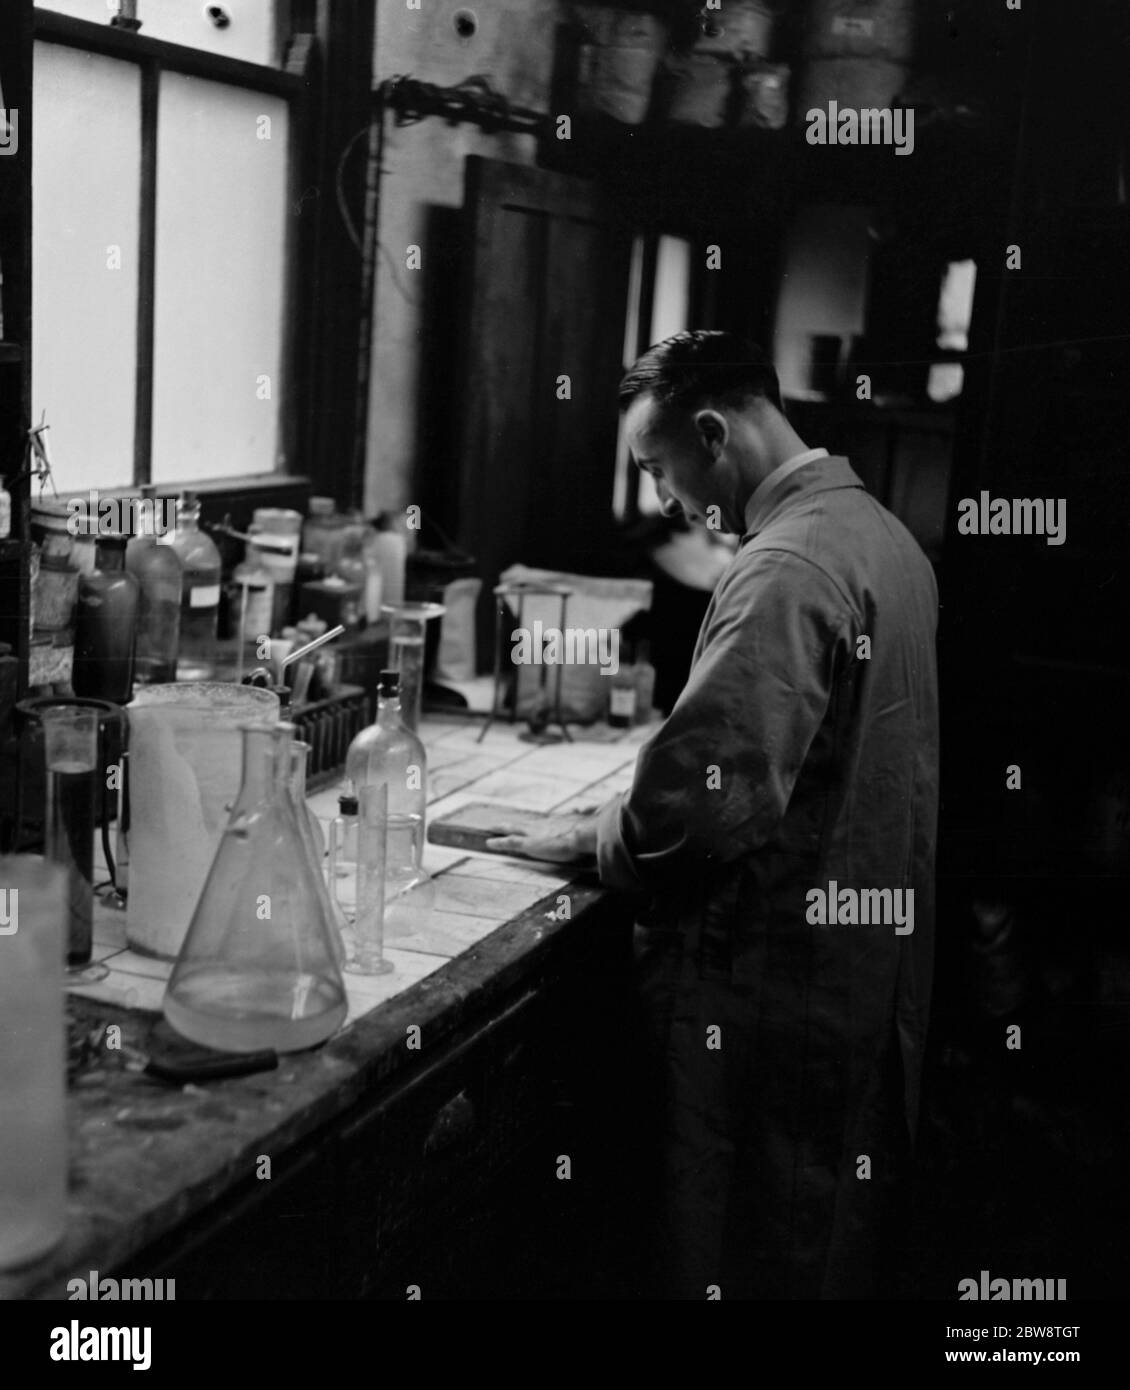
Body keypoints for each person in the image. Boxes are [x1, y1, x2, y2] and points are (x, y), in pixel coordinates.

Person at [488, 331, 939, 1299]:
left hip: (776, 983)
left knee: (742, 1239)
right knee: (819, 1234)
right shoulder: (883, 538)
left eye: (658, 468)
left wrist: (597, 834)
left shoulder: (787, 566)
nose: (663, 501)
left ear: (709, 430)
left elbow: (694, 810)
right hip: (855, 973)